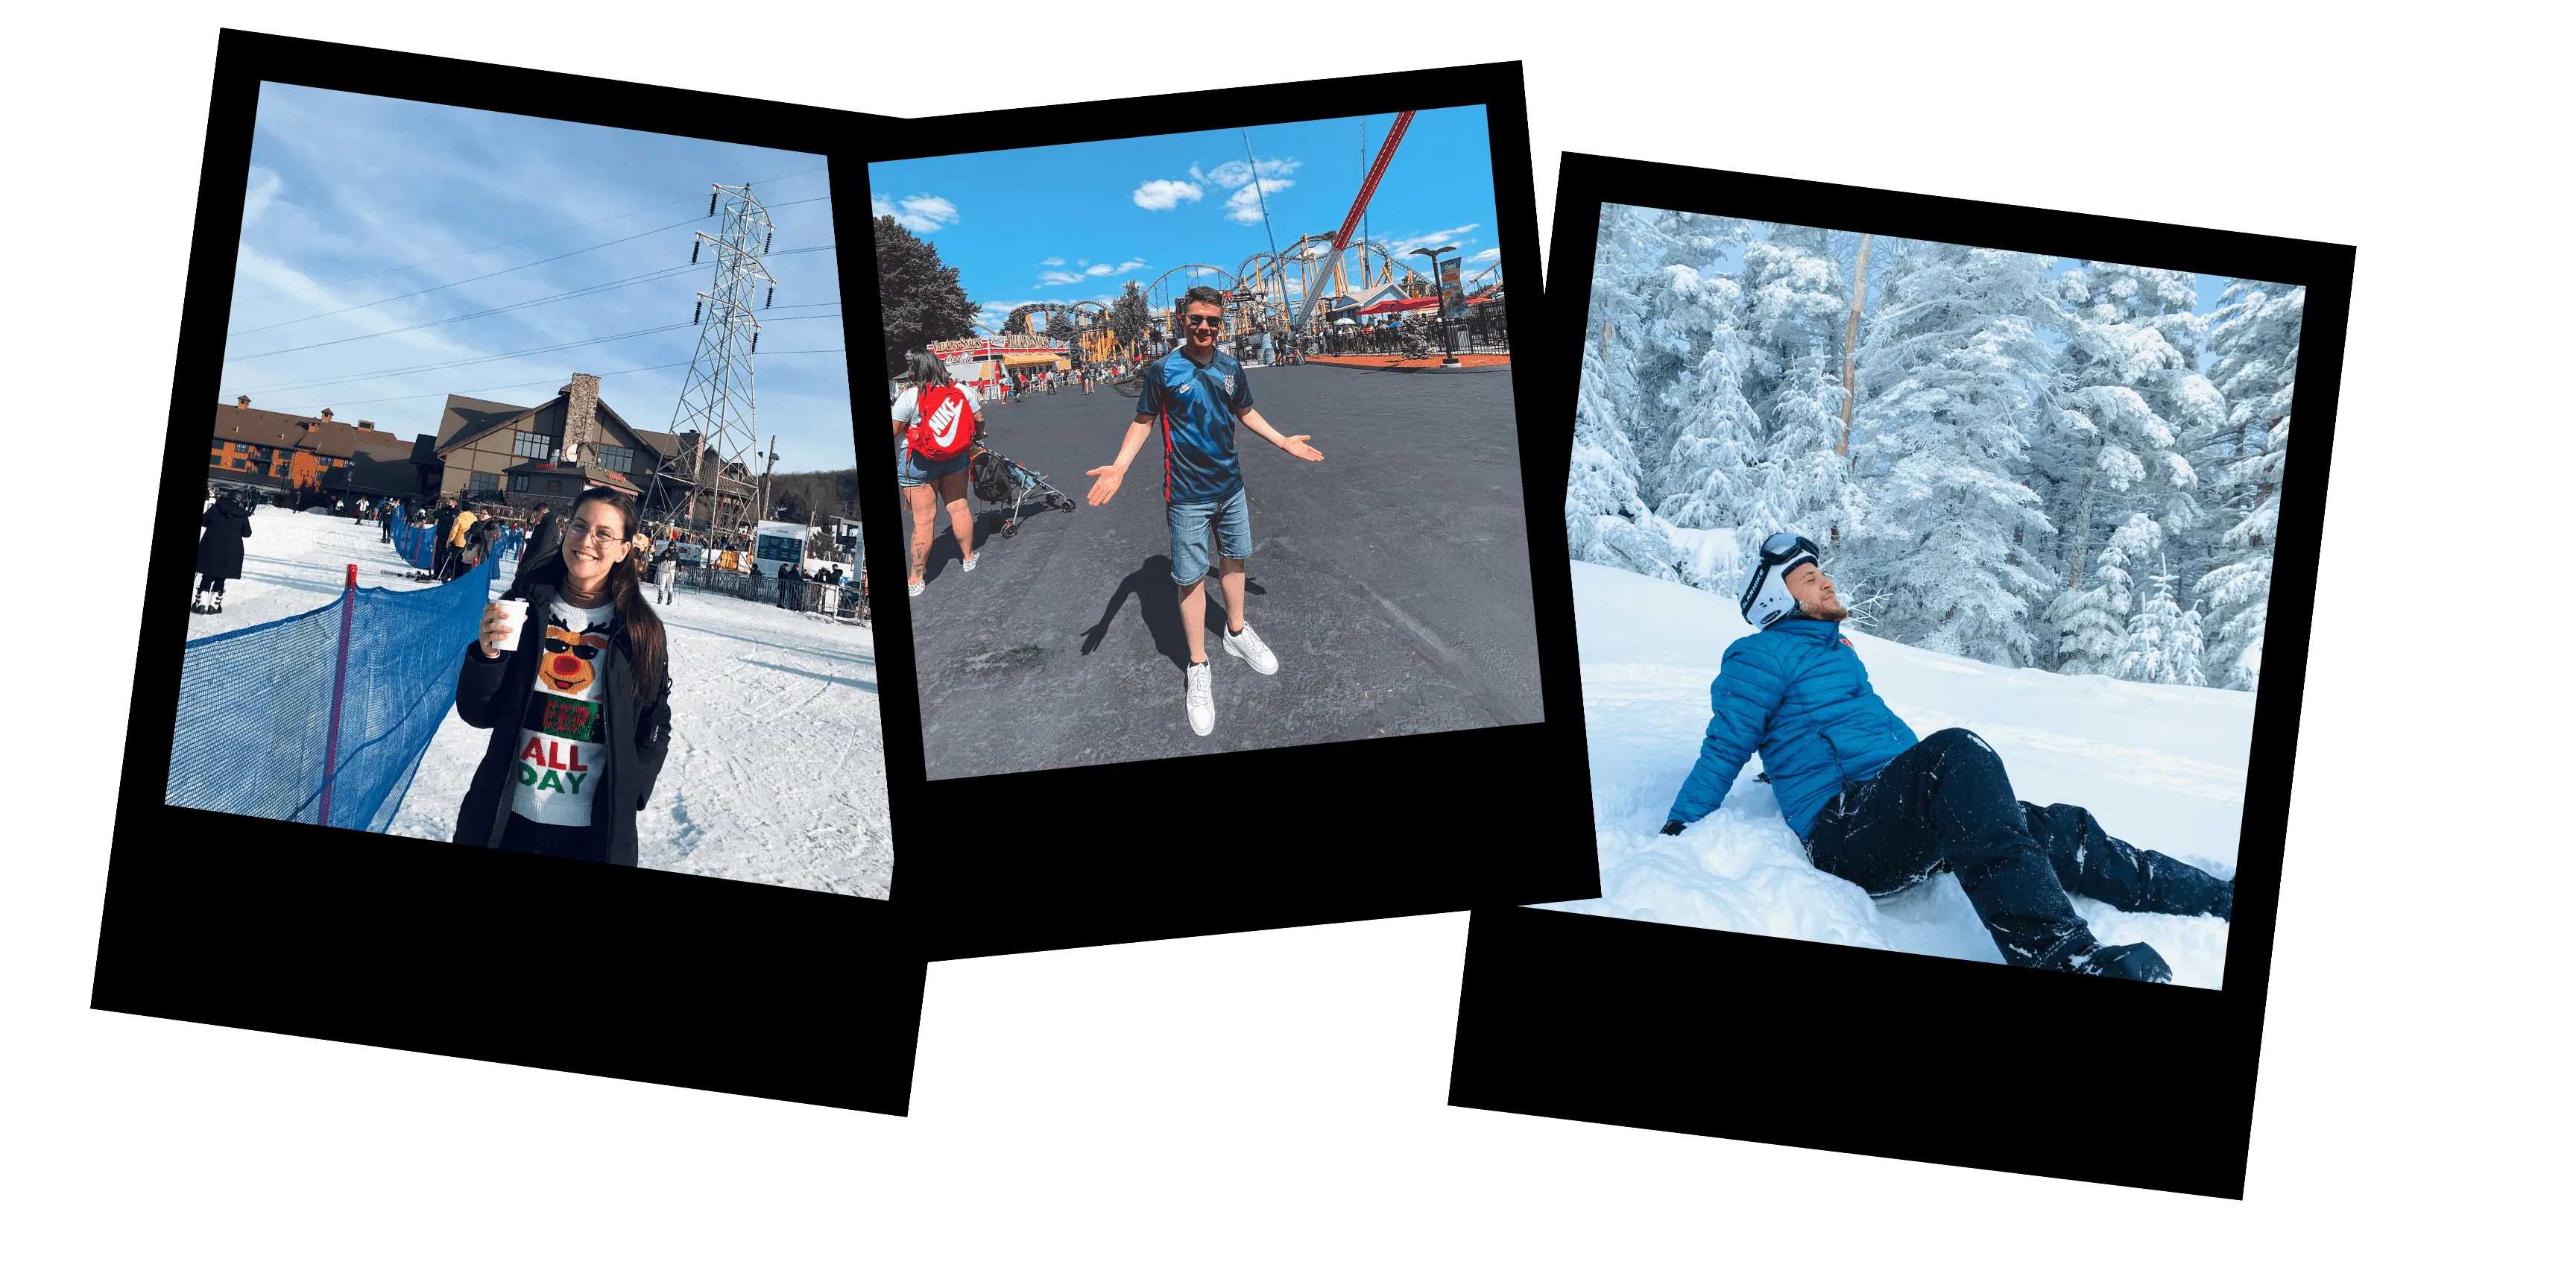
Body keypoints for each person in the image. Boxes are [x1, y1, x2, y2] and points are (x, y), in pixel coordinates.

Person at [1658, 533, 2234, 984]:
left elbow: (1838, 730)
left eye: (1823, 572)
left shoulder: (1837, 649)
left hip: (1894, 808)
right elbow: (1726, 741)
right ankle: (2062, 957)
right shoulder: (1756, 656)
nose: (1828, 582)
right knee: (1957, 752)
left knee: (2058, 827)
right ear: (1777, 599)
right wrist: (1680, 823)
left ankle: (2216, 897)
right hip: (1844, 830)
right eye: (1811, 578)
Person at [1085, 285, 1325, 737]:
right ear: (1184, 321)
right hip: (1187, 493)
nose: (1205, 327)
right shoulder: (1163, 371)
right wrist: (1118, 467)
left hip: (1230, 487)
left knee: (1234, 559)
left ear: (1221, 324)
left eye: (1213, 321)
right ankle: (1198, 665)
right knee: (1190, 576)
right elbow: (1143, 422)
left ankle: (1236, 632)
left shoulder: (1232, 367)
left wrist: (1282, 441)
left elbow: (1246, 413)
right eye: (1197, 319)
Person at [452, 486, 672, 867]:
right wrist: (487, 656)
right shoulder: (524, 605)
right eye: (579, 526)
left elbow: (655, 720)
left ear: (624, 550)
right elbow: (478, 712)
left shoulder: (640, 630)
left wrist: (633, 787)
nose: (587, 541)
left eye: (604, 533)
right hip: (505, 818)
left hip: (593, 832)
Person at [890, 348, 979, 597]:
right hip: (956, 459)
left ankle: (916, 578)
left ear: (916, 370)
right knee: (959, 508)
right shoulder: (961, 390)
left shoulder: (910, 397)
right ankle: (969, 557)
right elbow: (979, 421)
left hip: (919, 463)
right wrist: (978, 437)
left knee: (923, 521)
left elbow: (895, 430)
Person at [192, 490, 253, 614]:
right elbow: (247, 533)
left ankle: (200, 604)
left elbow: (204, 522)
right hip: (231, 550)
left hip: (210, 546)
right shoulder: (242, 514)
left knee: (208, 574)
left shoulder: (215, 508)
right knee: (221, 576)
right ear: (240, 501)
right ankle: (214, 606)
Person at [521, 505, 565, 572]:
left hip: (535, 569)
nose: (536, 518)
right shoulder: (547, 525)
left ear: (542, 513)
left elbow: (543, 549)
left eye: (537, 516)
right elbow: (542, 543)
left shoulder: (548, 527)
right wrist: (531, 542)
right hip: (536, 567)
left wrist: (526, 567)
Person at [652, 540, 679, 605]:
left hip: (671, 572)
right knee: (662, 584)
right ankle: (660, 597)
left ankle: (669, 599)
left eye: (672, 547)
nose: (671, 548)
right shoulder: (664, 552)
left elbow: (679, 561)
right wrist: (665, 557)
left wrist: (681, 566)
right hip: (664, 571)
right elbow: (660, 560)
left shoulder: (676, 554)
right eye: (670, 546)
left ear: (675, 547)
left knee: (670, 586)